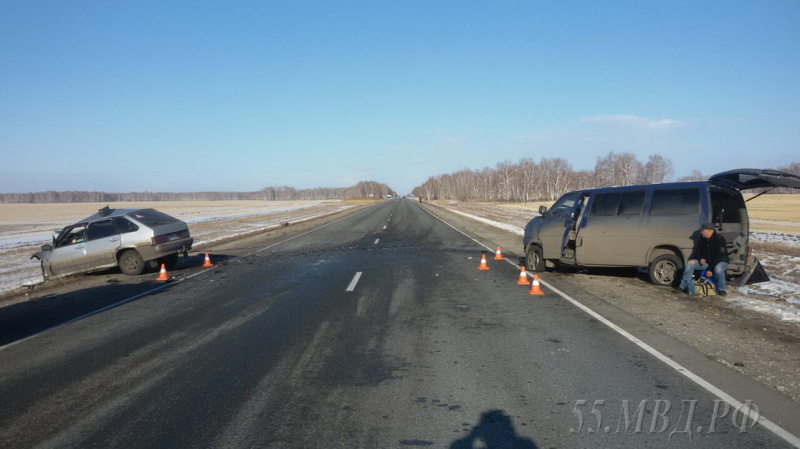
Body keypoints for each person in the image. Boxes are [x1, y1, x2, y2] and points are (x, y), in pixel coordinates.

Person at [675, 222, 729, 296]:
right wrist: (700, 259)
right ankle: (683, 286)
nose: (701, 232)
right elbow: (698, 253)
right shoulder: (702, 240)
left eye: (702, 230)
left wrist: (710, 269)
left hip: (720, 262)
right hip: (707, 262)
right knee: (690, 264)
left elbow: (719, 256)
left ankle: (721, 289)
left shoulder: (720, 239)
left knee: (718, 269)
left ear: (710, 231)